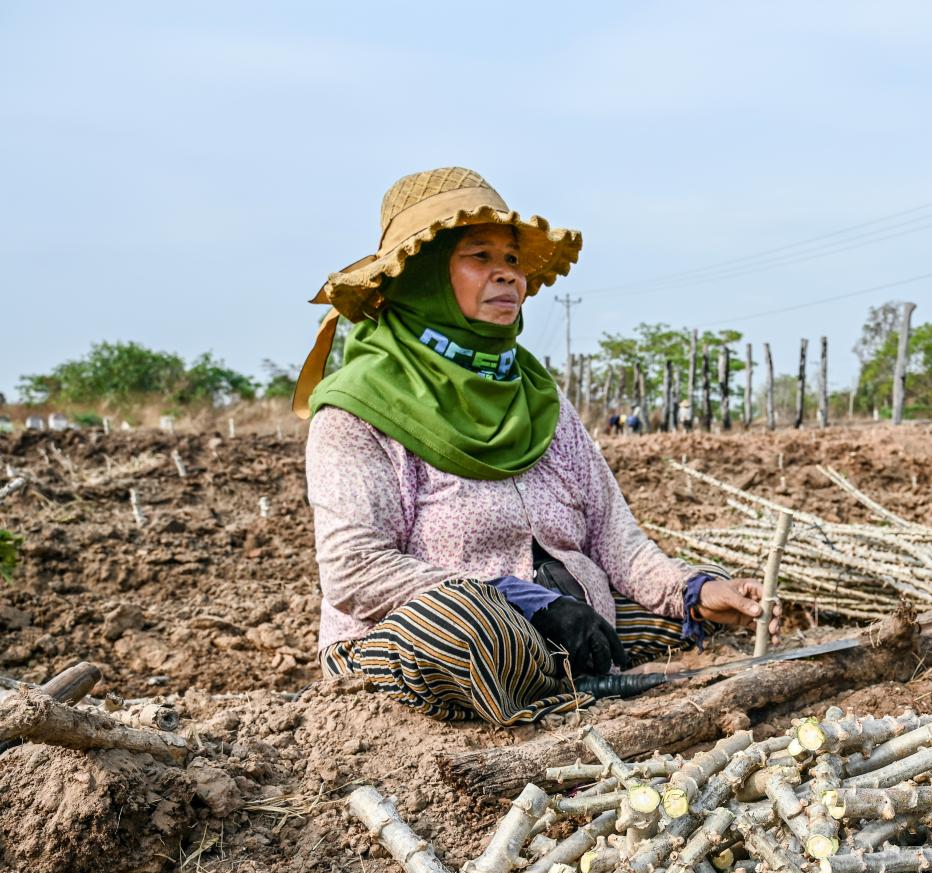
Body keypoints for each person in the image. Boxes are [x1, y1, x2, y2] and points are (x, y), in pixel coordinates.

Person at [292, 167, 777, 724]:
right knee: (480, 632)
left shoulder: (537, 395)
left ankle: (566, 675)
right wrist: (523, 601)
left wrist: (693, 589)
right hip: (429, 630)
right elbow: (356, 571)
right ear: (422, 275)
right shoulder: (357, 410)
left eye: (514, 261)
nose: (507, 276)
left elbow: (612, 534)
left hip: (562, 619)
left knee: (687, 620)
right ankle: (550, 685)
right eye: (480, 257)